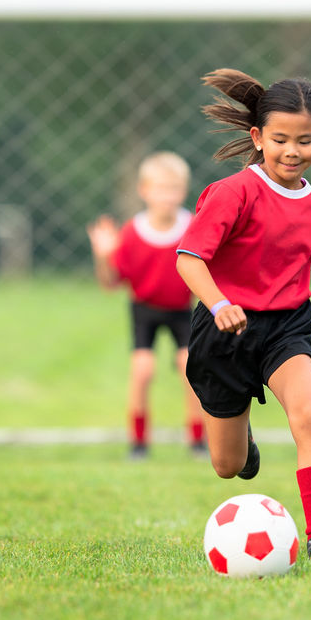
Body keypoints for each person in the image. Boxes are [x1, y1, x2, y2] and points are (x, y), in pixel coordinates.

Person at [176, 68, 311, 560]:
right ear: (257, 137)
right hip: (223, 328)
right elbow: (189, 258)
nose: (292, 150)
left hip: (286, 328)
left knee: (309, 415)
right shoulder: (232, 194)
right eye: (280, 139)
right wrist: (219, 303)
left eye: (304, 140)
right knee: (227, 465)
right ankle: (243, 439)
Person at [86, 152, 207, 460]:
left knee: (188, 368)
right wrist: (103, 255)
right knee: (142, 371)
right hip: (145, 311)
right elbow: (110, 283)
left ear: (184, 190)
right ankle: (138, 444)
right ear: (144, 190)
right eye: (161, 188)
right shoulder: (132, 233)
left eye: (175, 188)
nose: (168, 196)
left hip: (182, 310)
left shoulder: (192, 227)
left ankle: (197, 441)